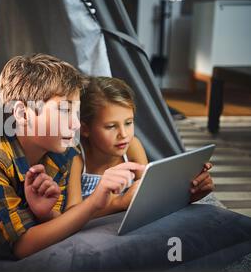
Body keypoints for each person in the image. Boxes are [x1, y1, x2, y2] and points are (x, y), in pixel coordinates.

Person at [0, 55, 144, 259]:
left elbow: (61, 221)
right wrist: (95, 201)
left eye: (76, 112)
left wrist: (47, 214)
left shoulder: (65, 154)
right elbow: (23, 246)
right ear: (23, 114)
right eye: (64, 110)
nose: (76, 124)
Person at [65, 76, 214, 217]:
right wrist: (118, 203)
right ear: (85, 129)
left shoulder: (132, 146)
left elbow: (151, 194)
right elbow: (70, 214)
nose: (123, 134)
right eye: (111, 126)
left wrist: (188, 195)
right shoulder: (77, 155)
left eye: (128, 123)